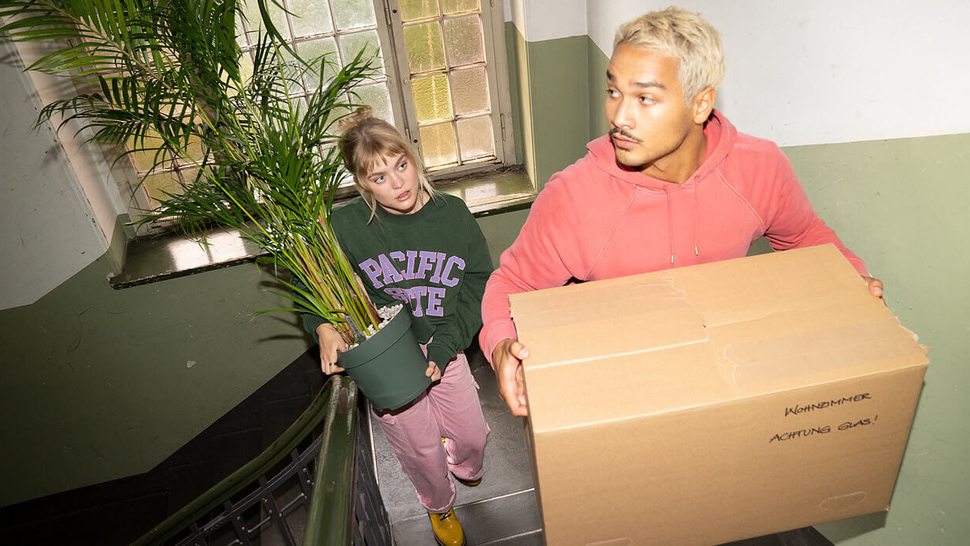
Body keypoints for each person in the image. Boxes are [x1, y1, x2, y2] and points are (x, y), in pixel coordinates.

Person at [480, 7, 885, 417]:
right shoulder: (573, 197)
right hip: (621, 388)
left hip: (726, 374)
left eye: (645, 98)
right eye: (614, 91)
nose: (619, 117)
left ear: (700, 104)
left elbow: (804, 237)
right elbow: (511, 284)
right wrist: (500, 345)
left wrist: (852, 277)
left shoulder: (761, 168)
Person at [300, 107, 491, 546]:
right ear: (361, 183)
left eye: (400, 165)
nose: (398, 182)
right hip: (388, 355)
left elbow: (478, 281)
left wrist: (446, 345)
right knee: (420, 447)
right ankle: (439, 504)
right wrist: (322, 326)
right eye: (379, 177)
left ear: (412, 157)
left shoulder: (453, 214)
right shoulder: (347, 225)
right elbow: (308, 281)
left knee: (471, 434)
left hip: (446, 340)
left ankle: (462, 466)